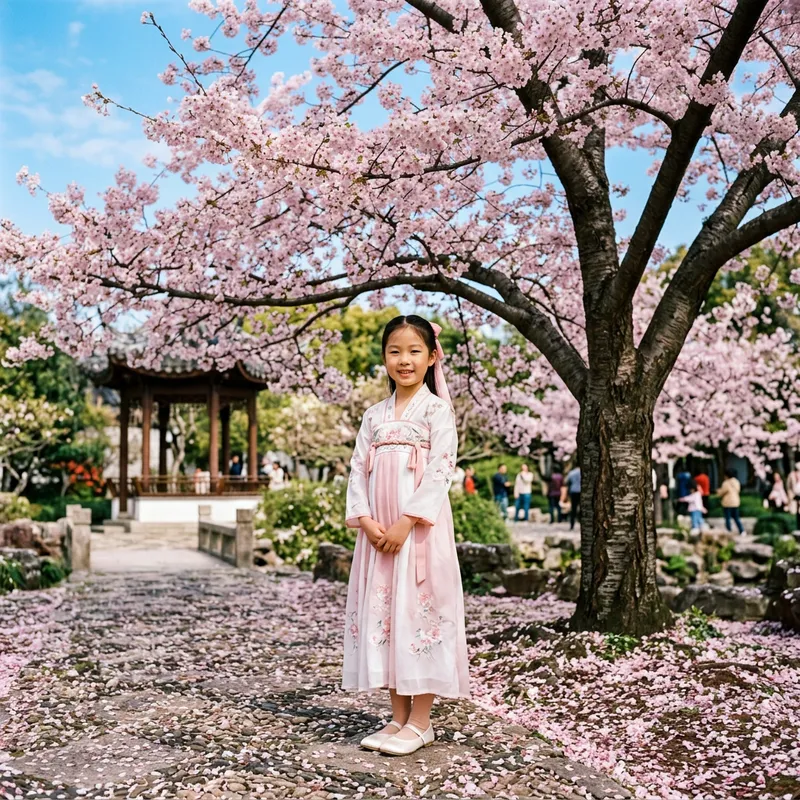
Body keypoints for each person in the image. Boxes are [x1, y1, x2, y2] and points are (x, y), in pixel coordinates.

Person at [343, 314, 470, 755]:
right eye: (395, 351)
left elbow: (440, 471)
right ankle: (397, 718)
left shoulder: (438, 411)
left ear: (432, 356)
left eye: (415, 351)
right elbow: (357, 470)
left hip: (418, 535)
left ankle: (421, 721)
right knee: (387, 617)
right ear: (384, 357)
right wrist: (366, 520)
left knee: (420, 615)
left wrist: (405, 521)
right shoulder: (373, 416)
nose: (404, 360)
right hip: (378, 536)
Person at [717, 468, 744, 535]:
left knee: (728, 518)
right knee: (736, 518)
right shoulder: (737, 482)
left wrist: (718, 491)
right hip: (736, 502)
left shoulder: (726, 483)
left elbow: (722, 492)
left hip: (727, 503)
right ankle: (742, 531)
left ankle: (728, 531)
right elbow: (738, 490)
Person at [565, 464, 581, 531]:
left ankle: (572, 525)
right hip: (581, 491)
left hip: (573, 491)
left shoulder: (571, 472)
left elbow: (567, 482)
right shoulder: (582, 472)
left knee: (573, 509)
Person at [788, 463, 800, 531]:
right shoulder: (792, 475)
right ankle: (796, 528)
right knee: (795, 512)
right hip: (795, 496)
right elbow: (789, 486)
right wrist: (790, 495)